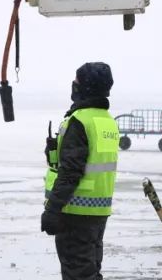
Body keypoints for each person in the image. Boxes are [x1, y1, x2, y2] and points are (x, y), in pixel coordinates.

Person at [42, 62, 119, 280]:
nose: (73, 84)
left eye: (76, 81)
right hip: (98, 212)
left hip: (75, 212)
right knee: (90, 271)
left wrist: (52, 211)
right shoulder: (107, 121)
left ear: (84, 86)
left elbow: (71, 173)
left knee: (79, 274)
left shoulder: (80, 121)